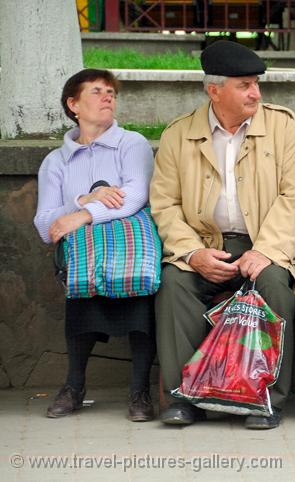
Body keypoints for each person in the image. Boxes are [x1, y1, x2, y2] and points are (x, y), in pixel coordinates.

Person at [150, 40, 295, 429]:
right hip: (205, 244)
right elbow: (165, 204)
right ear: (214, 90)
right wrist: (191, 253)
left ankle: (265, 399)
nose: (255, 92)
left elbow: (294, 196)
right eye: (244, 85)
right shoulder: (178, 135)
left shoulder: (283, 127)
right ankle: (182, 398)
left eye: (256, 83)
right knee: (174, 286)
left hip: (264, 243)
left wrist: (267, 251)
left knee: (274, 286)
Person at [33, 69, 156, 421]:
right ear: (73, 104)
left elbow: (134, 196)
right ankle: (74, 385)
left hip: (131, 252)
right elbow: (46, 225)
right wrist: (83, 200)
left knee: (140, 305)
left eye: (111, 93)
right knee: (81, 303)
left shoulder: (131, 144)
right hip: (84, 259)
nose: (108, 98)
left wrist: (81, 216)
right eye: (97, 91)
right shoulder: (56, 161)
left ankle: (140, 391)